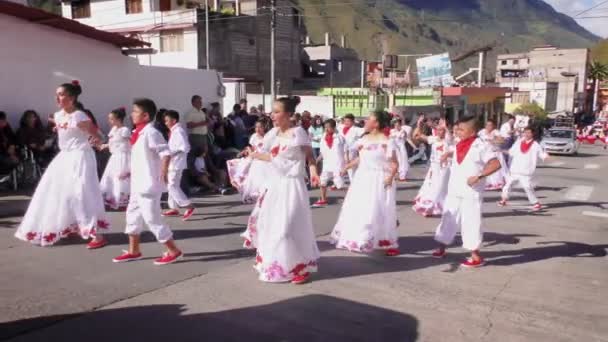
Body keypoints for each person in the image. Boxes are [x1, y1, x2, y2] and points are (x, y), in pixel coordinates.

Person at [15, 81, 109, 248]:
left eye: (61, 94)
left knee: (81, 193)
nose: (57, 97)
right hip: (64, 157)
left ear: (71, 98)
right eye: (57, 94)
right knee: (59, 193)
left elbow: (98, 136)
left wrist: (93, 137)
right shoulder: (58, 115)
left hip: (81, 157)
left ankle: (96, 234)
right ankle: (70, 225)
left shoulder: (80, 115)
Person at [243, 96, 321, 284]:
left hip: (292, 185)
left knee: (289, 227)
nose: (272, 114)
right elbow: (268, 155)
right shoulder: (273, 133)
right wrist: (253, 154)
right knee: (272, 226)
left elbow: (309, 156)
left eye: (277, 111)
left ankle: (299, 266)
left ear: (288, 114)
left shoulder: (298, 133)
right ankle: (279, 265)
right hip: (275, 184)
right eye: (272, 111)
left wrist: (313, 171)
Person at [112, 98, 183, 265]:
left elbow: (165, 153)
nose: (132, 114)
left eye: (135, 111)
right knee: (132, 217)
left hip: (149, 184)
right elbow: (141, 158)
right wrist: (128, 172)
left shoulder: (151, 132)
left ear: (145, 115)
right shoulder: (138, 132)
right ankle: (133, 250)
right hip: (138, 183)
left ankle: (174, 250)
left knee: (152, 219)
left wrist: (164, 172)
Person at [432, 115, 501, 268]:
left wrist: (479, 176)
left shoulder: (481, 146)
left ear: (472, 131)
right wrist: (446, 154)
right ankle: (442, 248)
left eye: (462, 129)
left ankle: (476, 257)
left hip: (471, 192)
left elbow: (496, 164)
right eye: (457, 128)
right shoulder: (459, 143)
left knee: (471, 222)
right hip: (454, 189)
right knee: (448, 219)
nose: (458, 131)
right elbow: (454, 151)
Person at [330, 111, 400, 256]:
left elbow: (394, 164)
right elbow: (361, 158)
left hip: (379, 180)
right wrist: (347, 166)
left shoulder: (387, 141)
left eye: (369, 119)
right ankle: (359, 239)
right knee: (359, 209)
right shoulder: (364, 139)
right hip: (362, 178)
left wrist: (390, 177)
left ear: (377, 124)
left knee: (377, 211)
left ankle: (384, 240)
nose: (366, 121)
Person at [498, 126, 549, 212]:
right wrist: (502, 151)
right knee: (508, 185)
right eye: (525, 132)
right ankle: (504, 199)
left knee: (527, 187)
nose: (526, 134)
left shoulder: (536, 145)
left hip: (526, 171)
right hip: (515, 169)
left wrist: (546, 156)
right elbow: (511, 152)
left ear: (532, 134)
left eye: (529, 132)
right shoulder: (518, 142)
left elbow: (542, 154)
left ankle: (536, 203)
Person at [412, 118, 452, 217]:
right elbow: (417, 136)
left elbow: (450, 138)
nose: (439, 132)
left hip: (444, 168)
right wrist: (419, 124)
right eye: (438, 130)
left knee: (440, 187)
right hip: (434, 167)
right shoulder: (433, 139)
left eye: (441, 130)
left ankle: (438, 206)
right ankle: (429, 207)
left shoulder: (448, 140)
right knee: (430, 187)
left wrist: (446, 128)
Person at [226, 120, 271, 203]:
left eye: (260, 127)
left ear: (264, 127)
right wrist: (246, 151)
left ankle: (265, 193)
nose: (257, 129)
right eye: (256, 127)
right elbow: (252, 147)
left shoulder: (268, 137)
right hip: (255, 158)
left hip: (264, 158)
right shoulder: (254, 136)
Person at [162, 110, 195, 221]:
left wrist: (171, 153)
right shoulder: (174, 131)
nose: (165, 123)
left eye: (167, 120)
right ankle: (174, 208)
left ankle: (188, 205)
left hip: (176, 163)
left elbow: (185, 147)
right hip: (173, 163)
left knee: (172, 185)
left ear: (174, 120)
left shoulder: (178, 131)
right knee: (171, 185)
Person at [99, 108, 131, 210]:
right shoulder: (113, 130)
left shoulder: (124, 130)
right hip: (114, 157)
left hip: (122, 156)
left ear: (118, 119)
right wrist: (104, 146)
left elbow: (130, 143)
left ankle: (121, 200)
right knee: (111, 178)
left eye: (112, 119)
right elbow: (114, 143)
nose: (110, 121)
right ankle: (111, 198)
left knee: (120, 178)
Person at [312, 119, 345, 207]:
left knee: (340, 186)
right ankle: (323, 199)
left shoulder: (339, 138)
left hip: (337, 164)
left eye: (328, 127)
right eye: (325, 127)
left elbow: (345, 151)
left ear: (333, 128)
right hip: (327, 164)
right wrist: (317, 160)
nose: (326, 129)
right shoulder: (323, 138)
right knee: (322, 182)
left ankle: (352, 196)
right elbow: (323, 152)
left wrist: (346, 165)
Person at [478, 120, 508, 191]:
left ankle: (496, 183)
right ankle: (486, 183)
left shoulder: (496, 132)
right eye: (487, 125)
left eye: (490, 125)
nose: (488, 127)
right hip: (484, 153)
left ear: (493, 126)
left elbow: (502, 141)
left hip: (494, 153)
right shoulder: (481, 132)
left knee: (495, 169)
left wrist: (493, 141)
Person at [339, 113, 364, 183]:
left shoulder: (356, 129)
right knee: (340, 167)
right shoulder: (341, 128)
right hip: (342, 152)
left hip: (351, 152)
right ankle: (338, 183)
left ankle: (354, 183)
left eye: (348, 121)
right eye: (345, 121)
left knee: (352, 169)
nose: (346, 123)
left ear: (353, 122)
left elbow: (365, 131)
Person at [0, 111, 20, 176]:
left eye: (4, 120)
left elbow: (13, 137)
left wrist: (12, 145)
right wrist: (9, 154)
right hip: (2, 153)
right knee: (12, 161)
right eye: (1, 121)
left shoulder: (6, 126)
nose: (4, 122)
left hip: (8, 151)